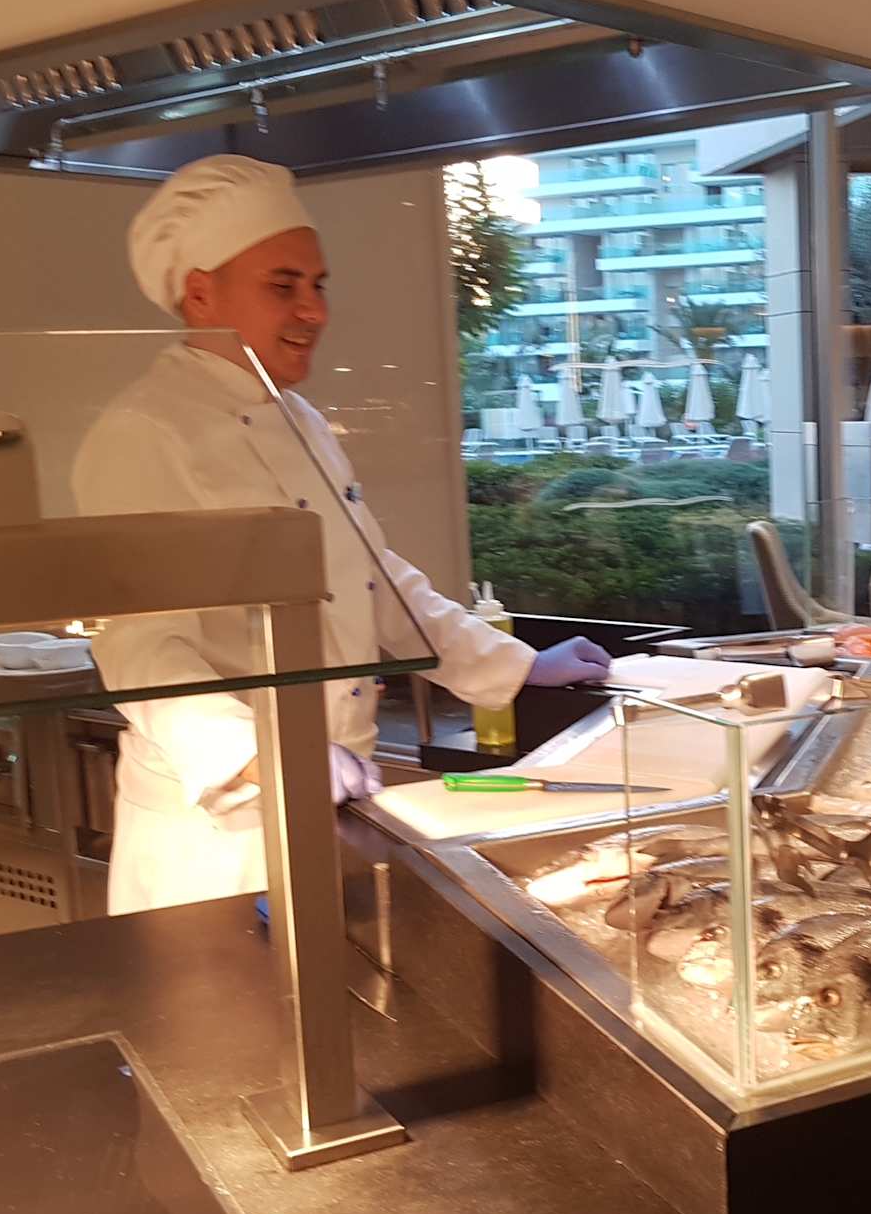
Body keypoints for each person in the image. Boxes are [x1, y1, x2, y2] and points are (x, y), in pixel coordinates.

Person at [73, 155, 611, 915]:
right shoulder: (144, 432)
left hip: (332, 798)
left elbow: (374, 576)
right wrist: (264, 754)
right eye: (283, 285)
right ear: (200, 293)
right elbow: (141, 649)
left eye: (318, 285)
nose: (315, 311)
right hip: (216, 839)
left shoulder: (302, 420)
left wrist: (517, 665)